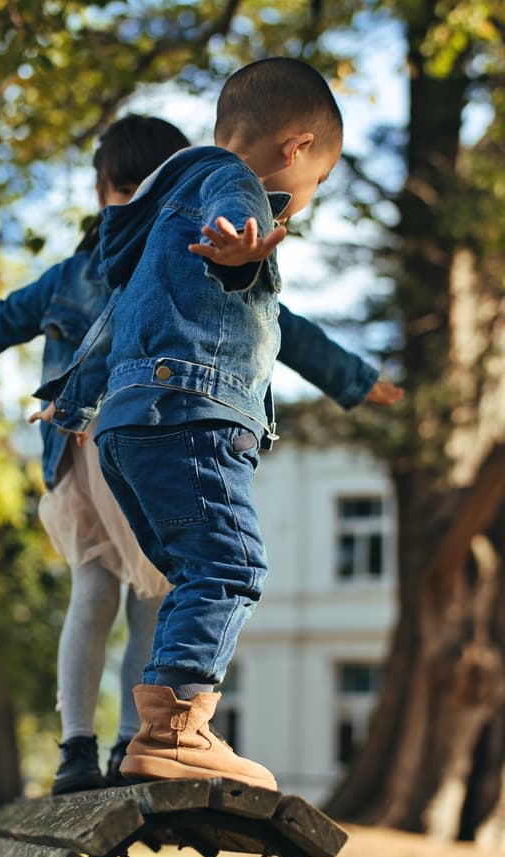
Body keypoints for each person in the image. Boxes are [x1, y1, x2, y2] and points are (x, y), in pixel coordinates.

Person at [33, 57, 404, 792]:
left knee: (187, 578)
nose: (305, 199)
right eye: (316, 181)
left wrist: (73, 398)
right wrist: (240, 257)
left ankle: (154, 735)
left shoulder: (157, 215)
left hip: (127, 429)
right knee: (232, 565)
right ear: (295, 147)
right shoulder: (236, 184)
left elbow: (112, 321)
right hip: (193, 416)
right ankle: (175, 732)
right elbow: (230, 239)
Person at [0, 114, 191, 793]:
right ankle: (91, 751)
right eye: (126, 189)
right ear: (105, 194)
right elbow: (2, 318)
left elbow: (276, 325)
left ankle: (108, 751)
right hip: (96, 454)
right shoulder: (78, 276)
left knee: (137, 599)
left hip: (141, 453)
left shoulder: (185, 263)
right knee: (118, 595)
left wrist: (347, 378)